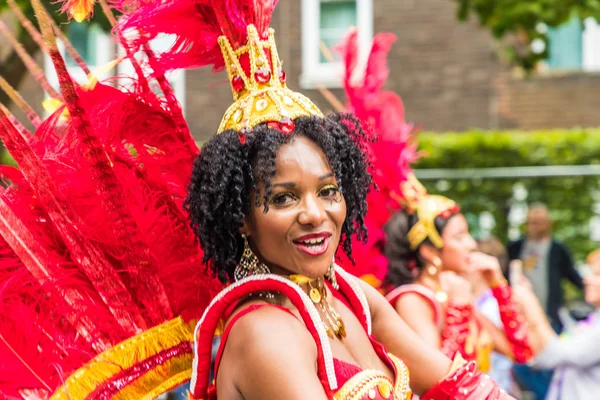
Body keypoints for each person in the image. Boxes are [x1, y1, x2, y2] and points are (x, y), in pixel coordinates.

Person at [384, 177, 533, 375]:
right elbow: (437, 379)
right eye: (459, 237)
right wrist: (458, 309)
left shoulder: (455, 294)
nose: (471, 244)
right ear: (429, 251)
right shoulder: (413, 300)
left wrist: (498, 283)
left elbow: (521, 352)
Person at [512, 251, 600, 400]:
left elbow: (556, 355)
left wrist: (530, 303)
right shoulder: (592, 321)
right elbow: (543, 358)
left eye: (597, 275)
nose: (586, 279)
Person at [507, 204, 583, 330]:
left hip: (550, 316)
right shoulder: (515, 248)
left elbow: (572, 275)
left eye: (539, 223)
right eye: (532, 222)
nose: (535, 227)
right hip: (519, 315)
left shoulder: (558, 250)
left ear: (548, 224)